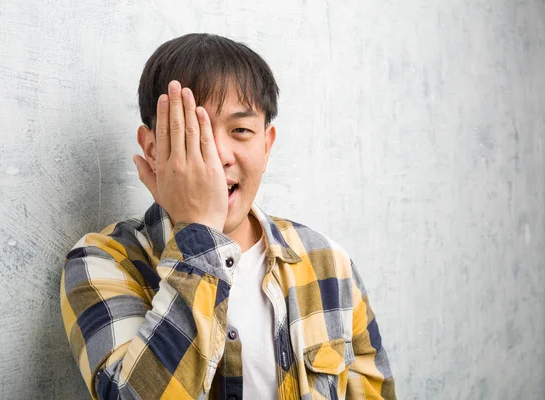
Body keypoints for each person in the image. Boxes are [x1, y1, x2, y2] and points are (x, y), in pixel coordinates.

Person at [60, 33, 396, 400]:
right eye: (192, 133)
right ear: (153, 150)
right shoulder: (101, 262)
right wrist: (199, 231)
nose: (217, 154)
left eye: (240, 131)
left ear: (266, 146)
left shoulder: (329, 263)